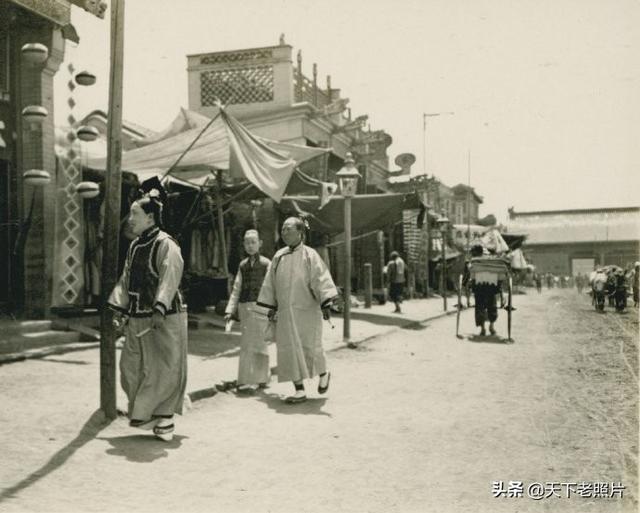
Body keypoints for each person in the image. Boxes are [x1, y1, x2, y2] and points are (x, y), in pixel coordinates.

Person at [108, 184, 187, 442]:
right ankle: (148, 414)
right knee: (130, 366)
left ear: (150, 217)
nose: (130, 220)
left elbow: (170, 277)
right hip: (137, 316)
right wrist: (120, 308)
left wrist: (160, 307)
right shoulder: (134, 247)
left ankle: (165, 417)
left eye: (134, 214)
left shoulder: (167, 245)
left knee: (163, 367)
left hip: (162, 318)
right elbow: (126, 279)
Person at [257, 217, 338, 404]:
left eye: (289, 229)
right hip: (285, 313)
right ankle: (299, 389)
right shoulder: (278, 257)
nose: (284, 232)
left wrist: (326, 302)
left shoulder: (310, 255)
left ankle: (324, 374)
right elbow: (269, 284)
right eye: (283, 229)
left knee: (311, 347)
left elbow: (321, 279)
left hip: (307, 311)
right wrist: (270, 307)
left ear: (300, 233)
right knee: (287, 349)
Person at [223, 229, 271, 393]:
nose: (250, 246)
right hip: (245, 307)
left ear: (260, 244)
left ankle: (261, 378)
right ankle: (245, 379)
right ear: (244, 245)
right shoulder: (242, 265)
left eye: (253, 242)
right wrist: (230, 310)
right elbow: (237, 288)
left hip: (261, 307)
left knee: (260, 343)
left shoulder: (266, 264)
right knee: (246, 344)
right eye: (247, 242)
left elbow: (272, 288)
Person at [465, 243, 502, 337]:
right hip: (491, 286)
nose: (472, 254)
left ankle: (483, 328)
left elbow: (470, 272)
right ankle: (491, 326)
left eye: (473, 252)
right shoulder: (490, 260)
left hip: (479, 287)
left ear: (476, 252)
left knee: (479, 307)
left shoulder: (473, 261)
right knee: (492, 306)